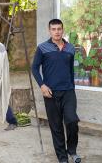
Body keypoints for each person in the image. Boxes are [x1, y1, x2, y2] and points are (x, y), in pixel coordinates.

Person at [32, 19, 81, 163]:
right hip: (50, 93)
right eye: (53, 29)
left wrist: (72, 87)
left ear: (63, 30)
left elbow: (71, 70)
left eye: (59, 29)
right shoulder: (42, 48)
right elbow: (34, 68)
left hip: (68, 92)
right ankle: (63, 158)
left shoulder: (70, 48)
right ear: (49, 31)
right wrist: (42, 85)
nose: (57, 32)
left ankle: (72, 150)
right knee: (56, 126)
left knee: (72, 121)